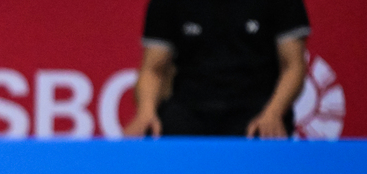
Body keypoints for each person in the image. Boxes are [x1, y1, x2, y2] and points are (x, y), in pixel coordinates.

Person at [124, 0, 310, 138]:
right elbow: (153, 70)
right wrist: (145, 112)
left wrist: (273, 113)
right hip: (189, 108)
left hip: (255, 107)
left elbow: (293, 66)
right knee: (162, 129)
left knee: (264, 134)